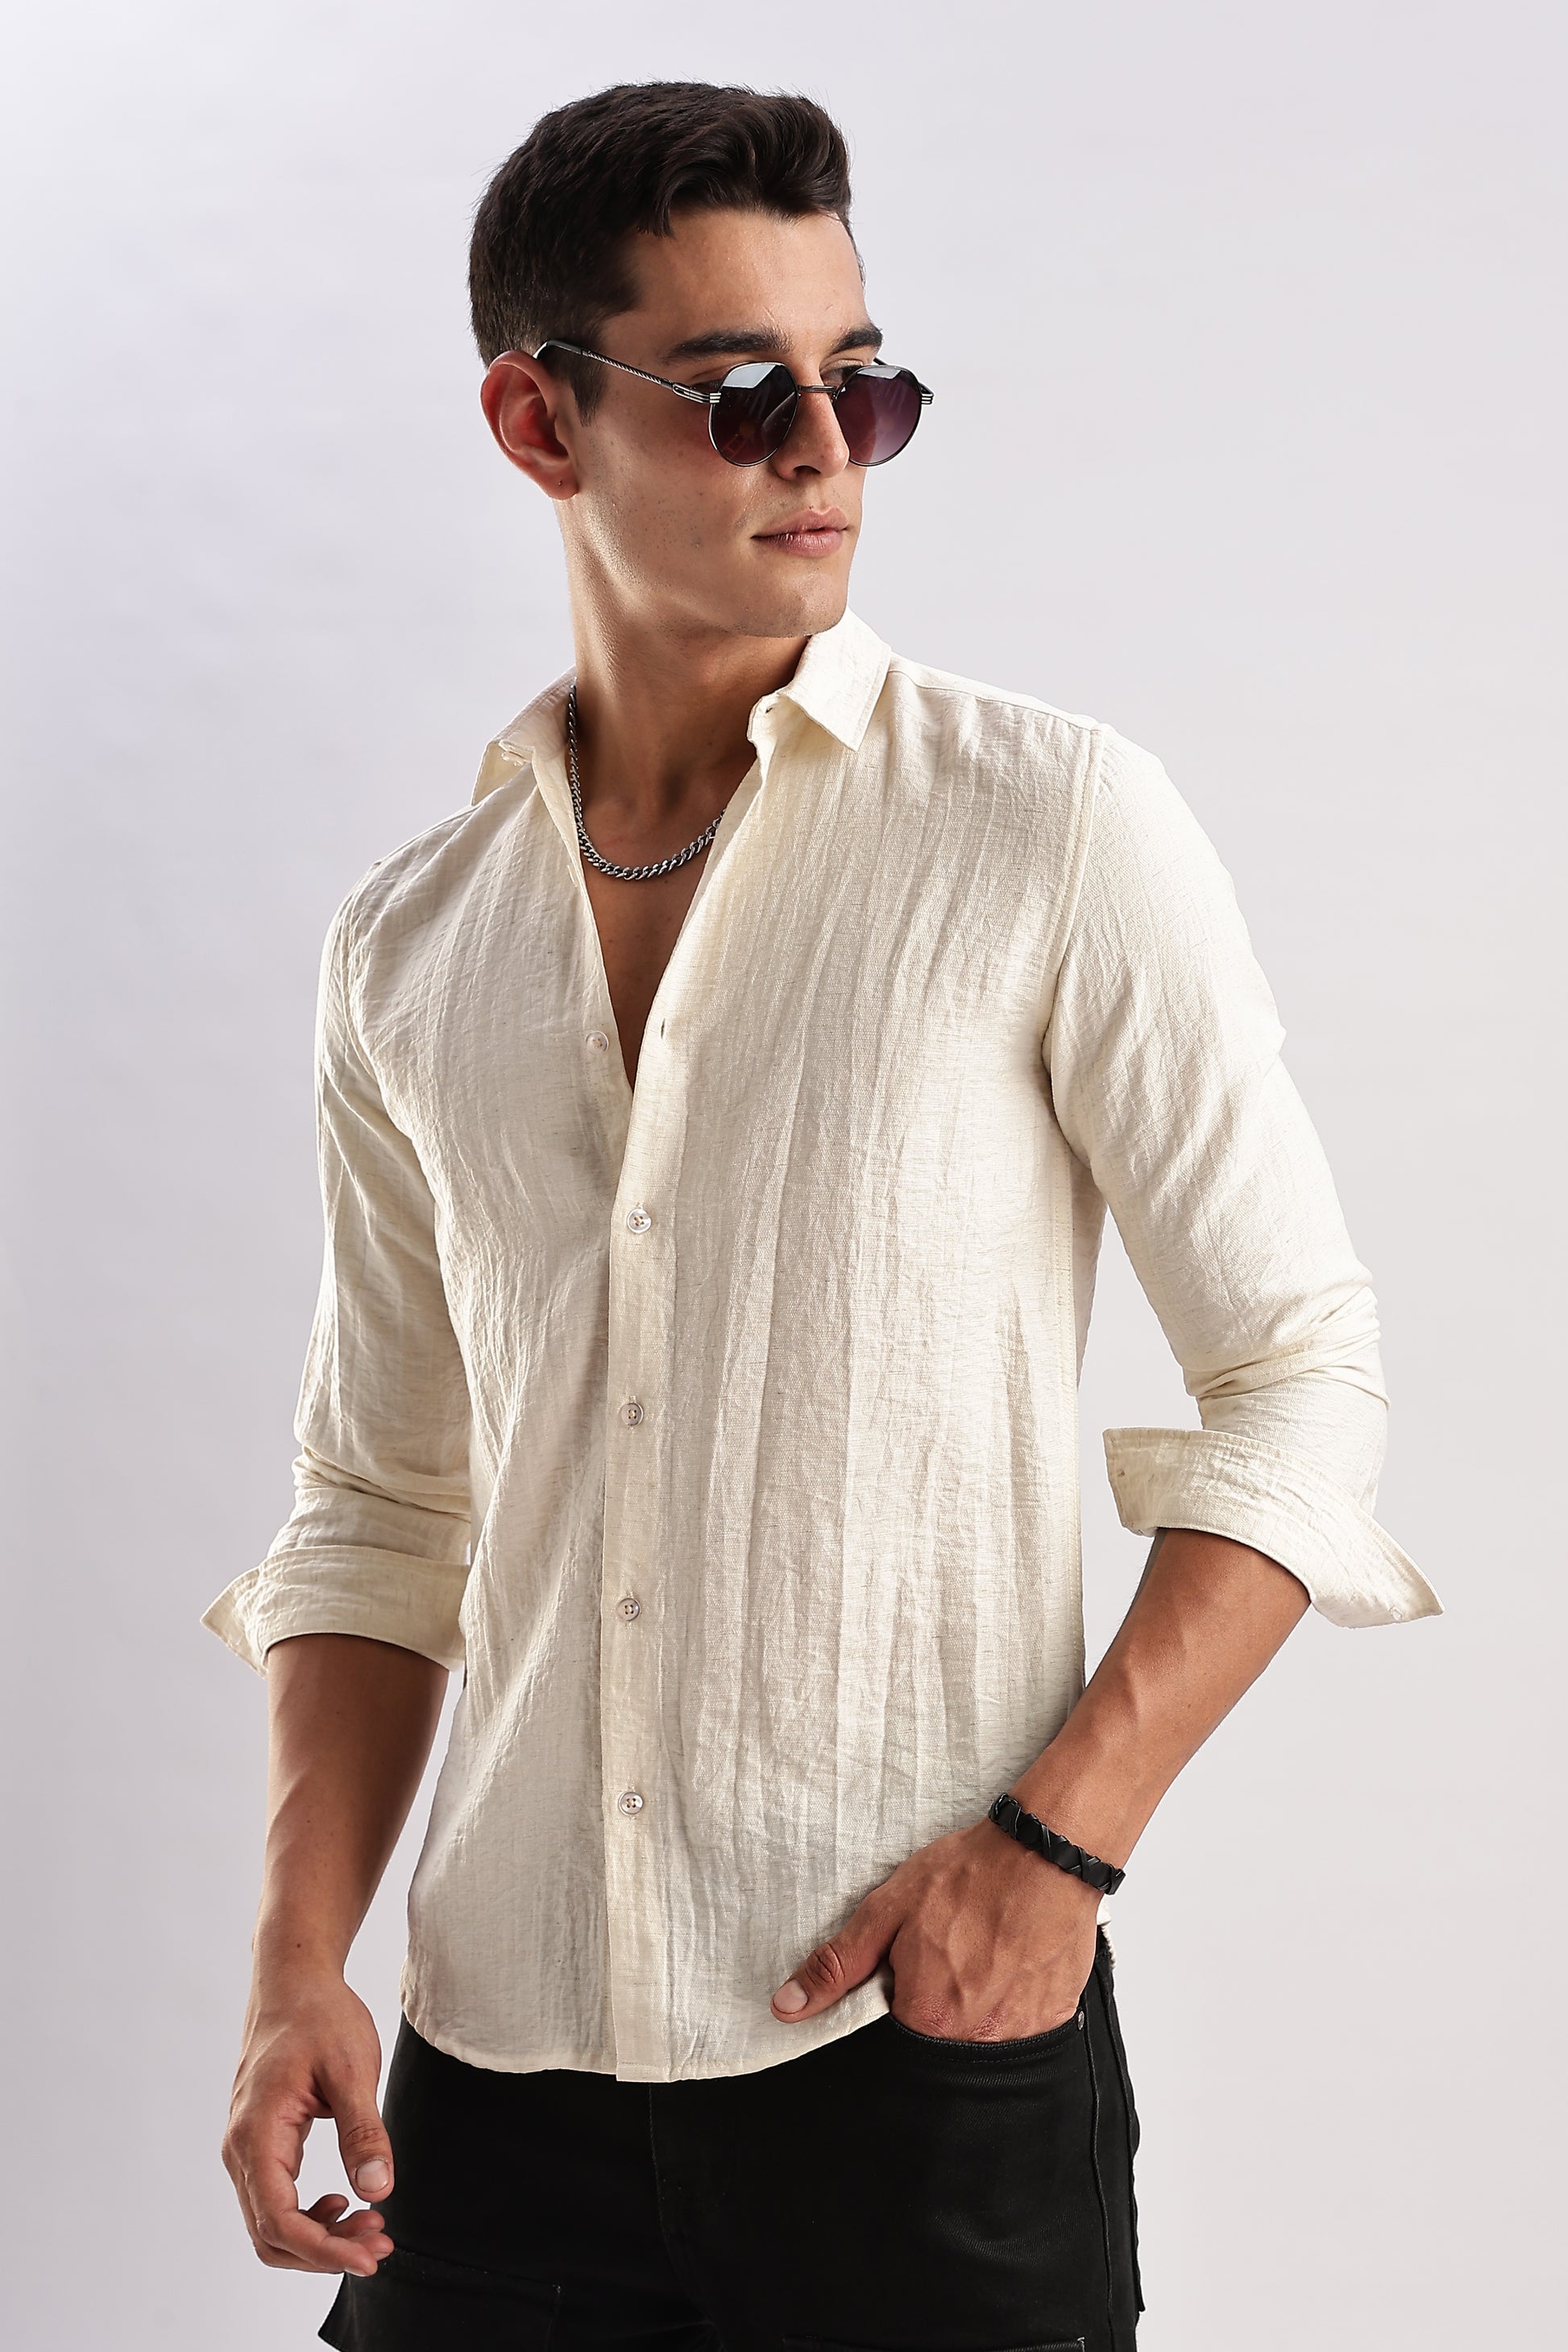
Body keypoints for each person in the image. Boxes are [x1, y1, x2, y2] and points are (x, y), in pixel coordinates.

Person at [202, 80, 1439, 2352]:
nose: (825, 453)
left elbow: (1299, 1377)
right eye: (742, 392)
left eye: (862, 384)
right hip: (494, 2084)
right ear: (537, 421)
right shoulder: (412, 945)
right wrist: (301, 1963)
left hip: (915, 2058)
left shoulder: (1048, 828)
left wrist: (1056, 1850)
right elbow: (380, 1503)